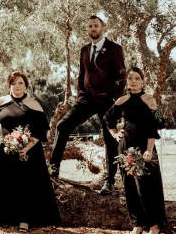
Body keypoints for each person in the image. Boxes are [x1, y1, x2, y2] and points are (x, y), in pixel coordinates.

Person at [48, 15, 126, 193]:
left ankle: (110, 181)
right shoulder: (84, 50)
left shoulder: (115, 49)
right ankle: (53, 172)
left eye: (96, 26)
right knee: (62, 125)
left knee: (110, 138)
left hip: (108, 101)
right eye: (90, 26)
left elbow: (121, 77)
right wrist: (80, 95)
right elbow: (81, 75)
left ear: (103, 28)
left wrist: (116, 101)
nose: (93, 29)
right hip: (87, 100)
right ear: (87, 29)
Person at [0, 71, 61, 232]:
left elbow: (40, 131)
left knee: (27, 184)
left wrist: (25, 148)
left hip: (30, 152)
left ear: (26, 86)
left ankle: (25, 221)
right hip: (6, 150)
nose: (17, 86)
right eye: (14, 83)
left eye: (20, 83)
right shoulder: (1, 102)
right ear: (9, 85)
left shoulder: (34, 104)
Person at [104, 67, 166, 234]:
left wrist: (149, 150)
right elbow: (107, 118)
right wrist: (115, 133)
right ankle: (137, 225)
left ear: (142, 81)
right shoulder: (122, 100)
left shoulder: (149, 100)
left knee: (148, 188)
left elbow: (154, 126)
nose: (133, 81)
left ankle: (154, 226)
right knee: (130, 188)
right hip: (125, 148)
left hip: (145, 149)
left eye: (137, 78)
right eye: (130, 78)